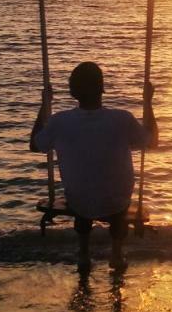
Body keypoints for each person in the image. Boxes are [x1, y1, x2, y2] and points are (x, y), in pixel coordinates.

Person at [30, 61, 158, 271]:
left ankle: (83, 253)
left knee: (82, 196)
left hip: (79, 200)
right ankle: (116, 253)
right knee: (115, 199)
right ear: (102, 89)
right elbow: (151, 141)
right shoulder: (121, 119)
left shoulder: (59, 121)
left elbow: (35, 145)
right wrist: (148, 103)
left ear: (73, 91)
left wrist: (44, 106)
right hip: (116, 201)